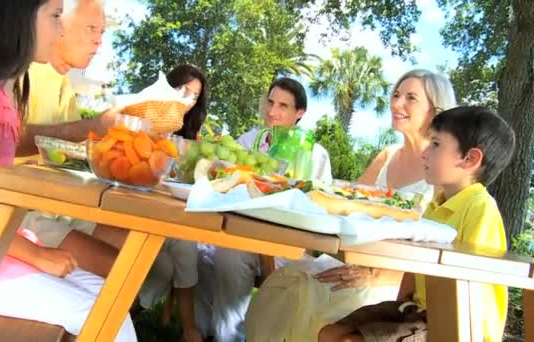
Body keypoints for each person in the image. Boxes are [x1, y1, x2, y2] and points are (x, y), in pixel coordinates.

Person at [0, 0, 136, 340]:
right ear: (13, 17)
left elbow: (5, 155)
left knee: (111, 299)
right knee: (106, 317)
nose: (60, 28)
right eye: (54, 16)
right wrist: (36, 255)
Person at [244, 69, 457, 342]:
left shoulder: (441, 172)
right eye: (396, 94)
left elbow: (442, 249)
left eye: (411, 98)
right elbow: (346, 208)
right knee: (288, 284)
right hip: (350, 263)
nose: (397, 103)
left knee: (317, 306)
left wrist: (379, 276)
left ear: (435, 109)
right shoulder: (386, 157)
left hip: (395, 284)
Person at [318, 106, 515, 342]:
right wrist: (398, 307)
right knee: (329, 334)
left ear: (470, 159)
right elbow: (415, 268)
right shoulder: (436, 205)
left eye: (436, 144)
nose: (425, 152)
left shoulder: (480, 207)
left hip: (457, 325)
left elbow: (474, 282)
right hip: (415, 311)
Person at [195, 77, 333, 341]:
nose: (272, 111)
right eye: (270, 102)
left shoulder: (315, 154)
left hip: (287, 243)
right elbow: (223, 184)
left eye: (283, 106)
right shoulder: (248, 141)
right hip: (243, 235)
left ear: (299, 113)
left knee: (237, 258)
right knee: (210, 255)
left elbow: (319, 206)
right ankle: (216, 335)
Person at [18, 0, 129, 278]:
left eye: (102, 32)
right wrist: (91, 126)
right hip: (17, 208)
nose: (99, 41)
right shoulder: (21, 70)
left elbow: (70, 154)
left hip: (58, 206)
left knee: (130, 242)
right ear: (60, 25)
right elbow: (10, 138)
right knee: (120, 268)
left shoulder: (63, 82)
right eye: (91, 28)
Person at [134, 64, 208, 342]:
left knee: (177, 252)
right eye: (182, 89)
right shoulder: (143, 114)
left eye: (193, 96)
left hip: (165, 211)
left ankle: (132, 311)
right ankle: (189, 328)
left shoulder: (188, 138)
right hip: (135, 206)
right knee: (177, 249)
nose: (185, 98)